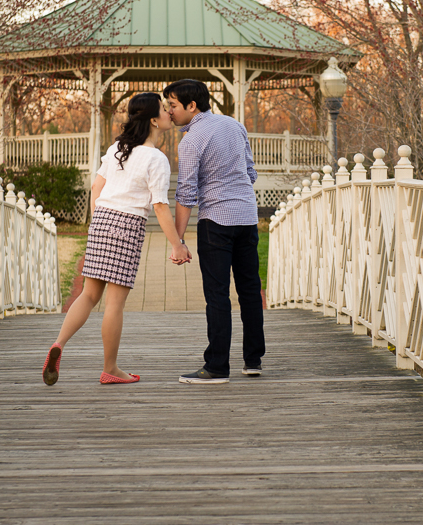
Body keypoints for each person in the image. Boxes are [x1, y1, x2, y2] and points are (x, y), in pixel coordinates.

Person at [42, 92, 190, 386]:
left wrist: (97, 224)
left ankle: (59, 343)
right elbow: (160, 206)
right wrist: (177, 244)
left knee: (88, 294)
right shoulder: (156, 159)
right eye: (163, 109)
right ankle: (110, 368)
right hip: (128, 224)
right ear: (153, 121)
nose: (167, 113)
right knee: (114, 304)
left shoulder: (118, 148)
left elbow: (96, 189)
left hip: (102, 219)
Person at [164, 79, 265, 384]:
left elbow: (186, 194)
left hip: (216, 222)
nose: (169, 112)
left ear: (191, 106)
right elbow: (251, 172)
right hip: (247, 217)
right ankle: (253, 360)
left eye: (172, 105)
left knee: (218, 294)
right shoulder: (234, 125)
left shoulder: (191, 141)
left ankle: (217, 366)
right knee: (250, 290)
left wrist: (178, 240)